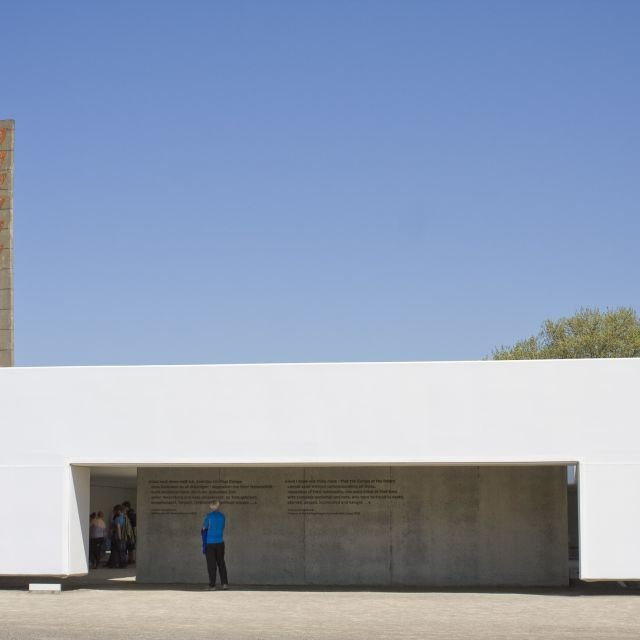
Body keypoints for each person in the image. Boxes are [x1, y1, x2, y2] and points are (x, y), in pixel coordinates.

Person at [202, 501, 229, 590]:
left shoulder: (208, 516)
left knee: (211, 565)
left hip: (210, 543)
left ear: (212, 506)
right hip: (220, 542)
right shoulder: (222, 516)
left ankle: (212, 585)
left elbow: (204, 528)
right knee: (221, 563)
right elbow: (222, 527)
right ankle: (225, 584)